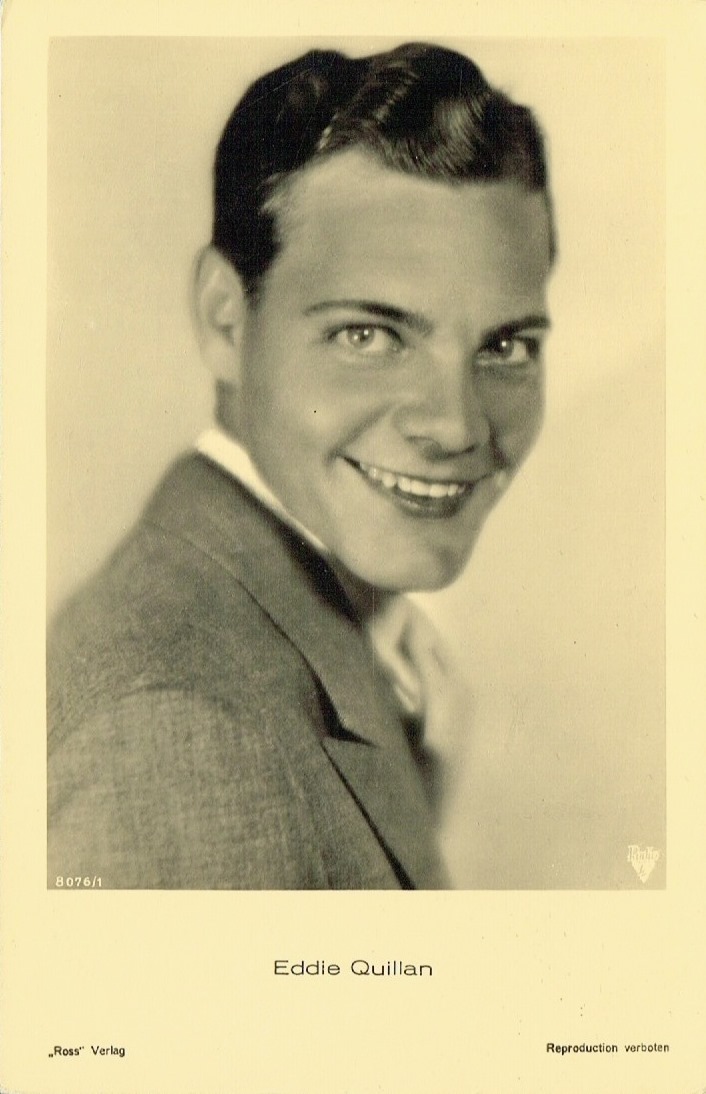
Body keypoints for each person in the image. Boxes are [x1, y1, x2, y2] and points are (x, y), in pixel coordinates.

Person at [47, 42, 555, 889]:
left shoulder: (319, 626)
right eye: (369, 334)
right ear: (226, 321)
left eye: (505, 346)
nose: (457, 427)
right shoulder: (174, 732)